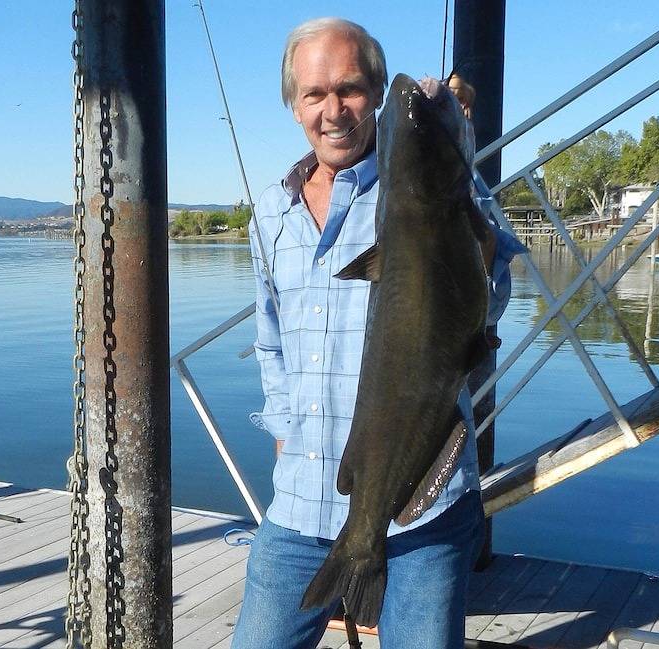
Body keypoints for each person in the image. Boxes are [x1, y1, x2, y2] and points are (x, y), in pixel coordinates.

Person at [232, 17, 519, 649]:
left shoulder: (425, 187)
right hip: (298, 506)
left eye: (351, 89)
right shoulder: (272, 213)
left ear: (378, 96)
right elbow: (271, 342)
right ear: (294, 105)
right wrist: (283, 431)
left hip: (425, 514)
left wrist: (452, 147)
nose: (333, 110)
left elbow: (491, 299)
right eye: (314, 94)